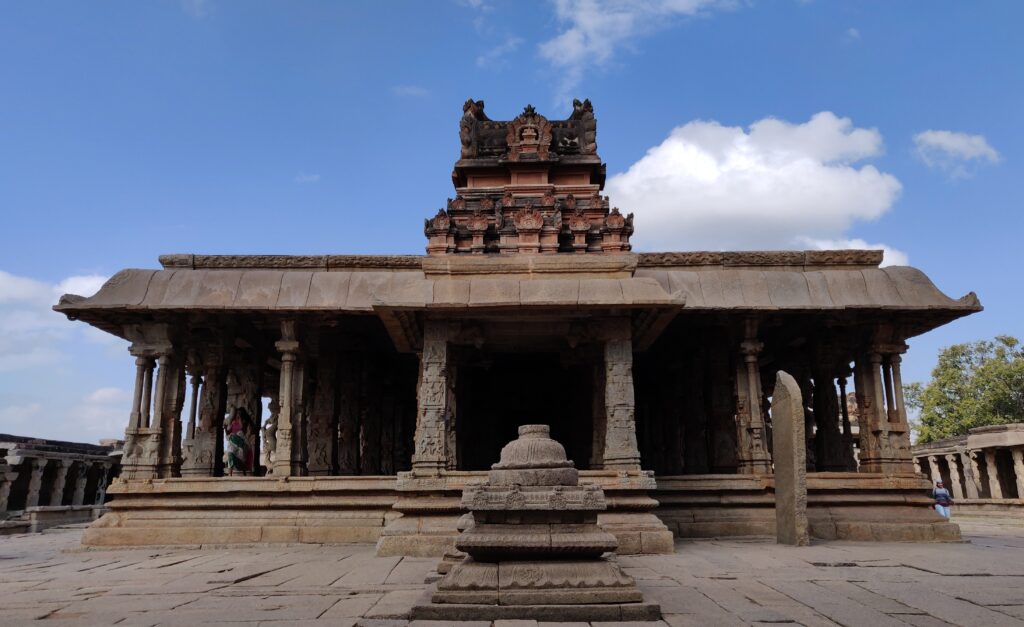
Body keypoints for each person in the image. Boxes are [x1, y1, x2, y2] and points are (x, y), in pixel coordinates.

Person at [225, 407, 253, 476]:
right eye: (236, 413)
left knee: (241, 458)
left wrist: (239, 418)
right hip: (233, 441)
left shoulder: (244, 421)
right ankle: (229, 474)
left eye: (239, 413)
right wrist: (228, 428)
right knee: (230, 454)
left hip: (241, 441)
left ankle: (244, 472)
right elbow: (228, 430)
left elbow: (242, 428)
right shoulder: (233, 422)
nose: (237, 414)